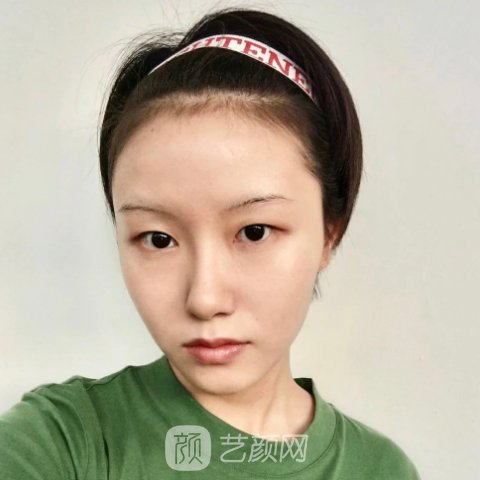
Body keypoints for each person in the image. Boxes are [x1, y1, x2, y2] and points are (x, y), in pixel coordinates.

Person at [0, 7, 421, 479]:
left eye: (254, 232)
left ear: (329, 232)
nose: (205, 299)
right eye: (159, 239)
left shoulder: (379, 469)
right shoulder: (60, 443)